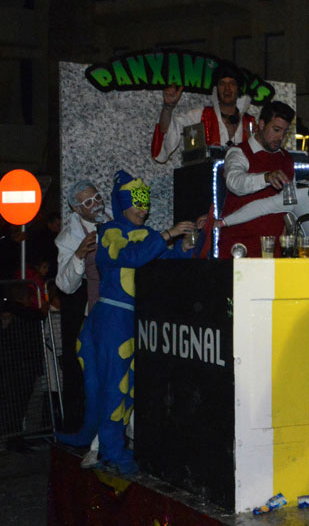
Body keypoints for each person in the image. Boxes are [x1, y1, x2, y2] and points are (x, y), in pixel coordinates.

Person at [56, 170, 201, 474]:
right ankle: (111, 450)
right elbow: (130, 257)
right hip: (110, 319)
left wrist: (185, 247)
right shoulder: (110, 232)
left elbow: (161, 265)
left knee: (122, 387)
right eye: (137, 203)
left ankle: (103, 444)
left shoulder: (146, 235)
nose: (143, 209)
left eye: (145, 203)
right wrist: (168, 235)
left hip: (126, 320)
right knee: (113, 388)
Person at [54, 180, 106, 449]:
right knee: (88, 375)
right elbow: (64, 285)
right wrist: (78, 255)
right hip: (91, 309)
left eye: (96, 197)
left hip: (119, 304)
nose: (95, 204)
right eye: (87, 202)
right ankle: (85, 432)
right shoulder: (68, 237)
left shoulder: (113, 219)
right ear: (76, 208)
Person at [213, 100, 296, 259]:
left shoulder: (287, 159)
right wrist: (266, 177)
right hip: (239, 247)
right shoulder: (239, 152)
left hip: (275, 250)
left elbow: (290, 204)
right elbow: (234, 182)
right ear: (262, 124)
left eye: (285, 132)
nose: (280, 137)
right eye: (276, 130)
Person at [153, 62, 256, 163]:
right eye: (222, 84)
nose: (227, 89)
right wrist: (168, 107)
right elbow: (167, 129)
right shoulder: (201, 115)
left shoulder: (250, 123)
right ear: (216, 88)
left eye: (232, 83)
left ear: (239, 88)